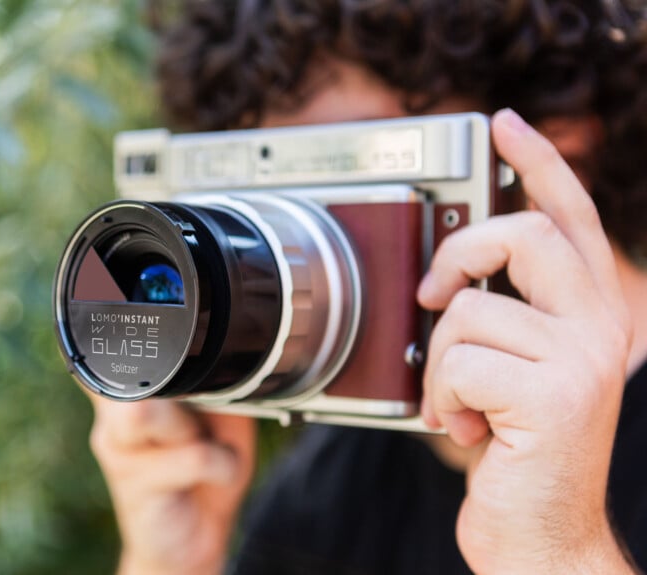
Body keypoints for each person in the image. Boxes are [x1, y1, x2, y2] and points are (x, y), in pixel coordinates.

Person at [87, 1, 647, 573]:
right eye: (274, 205)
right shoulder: (328, 482)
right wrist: (173, 558)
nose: (285, 262)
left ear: (556, 156)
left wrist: (558, 554)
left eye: (348, 188)